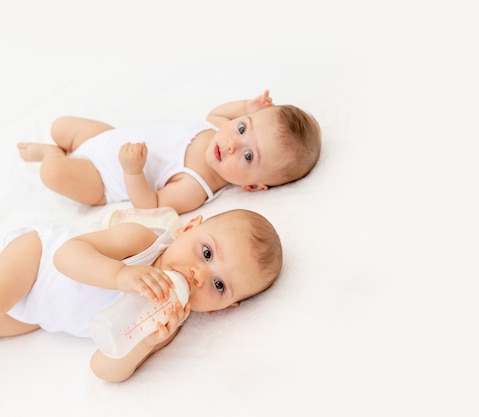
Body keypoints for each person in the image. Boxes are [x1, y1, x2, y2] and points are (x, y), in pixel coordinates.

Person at [0, 208, 282, 382]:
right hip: (37, 260)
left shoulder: (166, 322)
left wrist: (143, 344)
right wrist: (120, 275)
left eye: (219, 285)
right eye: (206, 253)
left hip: (40, 315)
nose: (199, 275)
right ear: (188, 228)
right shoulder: (142, 242)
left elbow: (103, 368)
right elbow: (65, 256)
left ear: (222, 308)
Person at [17, 90, 322, 215]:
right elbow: (216, 113)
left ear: (252, 186)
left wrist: (133, 171)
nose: (232, 143)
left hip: (102, 177)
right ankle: (59, 146)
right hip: (107, 138)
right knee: (61, 126)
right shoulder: (216, 131)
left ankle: (50, 155)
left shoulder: (195, 186)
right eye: (243, 128)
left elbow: (150, 206)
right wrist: (246, 107)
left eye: (248, 156)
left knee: (53, 174)